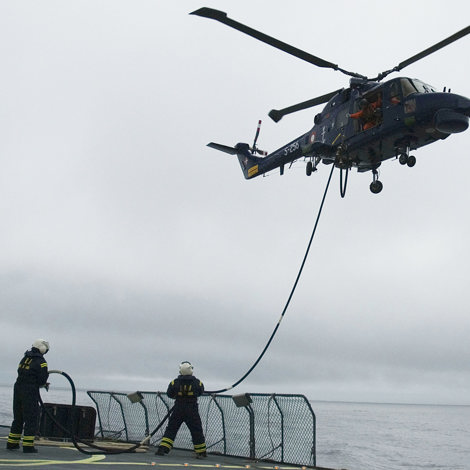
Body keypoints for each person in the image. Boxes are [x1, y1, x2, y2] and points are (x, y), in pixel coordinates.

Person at [156, 361, 207, 459]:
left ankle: (163, 448)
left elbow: (169, 394)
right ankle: (201, 452)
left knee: (171, 428)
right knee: (196, 430)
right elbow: (201, 391)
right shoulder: (197, 382)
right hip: (192, 410)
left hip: (178, 408)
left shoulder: (174, 382)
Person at [6, 339, 50, 453]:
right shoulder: (41, 361)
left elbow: (21, 372)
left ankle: (12, 443)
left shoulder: (25, 358)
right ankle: (28, 446)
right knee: (31, 418)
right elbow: (42, 379)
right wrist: (43, 384)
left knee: (18, 417)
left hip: (18, 388)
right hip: (30, 391)